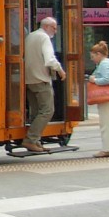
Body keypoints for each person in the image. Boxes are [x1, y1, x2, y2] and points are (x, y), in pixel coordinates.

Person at [22, 16, 65, 153]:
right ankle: (31, 140)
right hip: (41, 79)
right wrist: (61, 71)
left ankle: (36, 141)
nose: (55, 31)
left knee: (36, 112)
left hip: (28, 80)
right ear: (46, 26)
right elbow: (50, 60)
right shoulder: (44, 38)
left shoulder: (30, 36)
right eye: (54, 28)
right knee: (47, 110)